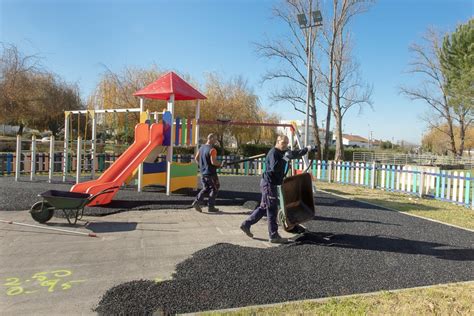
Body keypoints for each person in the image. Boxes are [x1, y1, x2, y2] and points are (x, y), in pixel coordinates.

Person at [240, 135, 317, 243]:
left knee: (263, 207)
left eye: (286, 143)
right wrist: (286, 158)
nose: (285, 145)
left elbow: (295, 154)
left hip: (271, 184)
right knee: (272, 209)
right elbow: (275, 168)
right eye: (283, 143)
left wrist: (308, 149)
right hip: (269, 184)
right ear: (278, 141)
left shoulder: (283, 151)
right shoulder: (274, 153)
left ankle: (246, 224)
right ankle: (273, 235)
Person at [192, 133, 225, 213]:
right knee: (215, 188)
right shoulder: (212, 150)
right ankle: (211, 207)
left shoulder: (202, 148)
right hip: (211, 173)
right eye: (215, 139)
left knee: (206, 188)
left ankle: (197, 201)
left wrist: (202, 166)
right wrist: (221, 164)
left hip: (203, 173)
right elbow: (213, 162)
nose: (216, 141)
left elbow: (196, 158)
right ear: (211, 139)